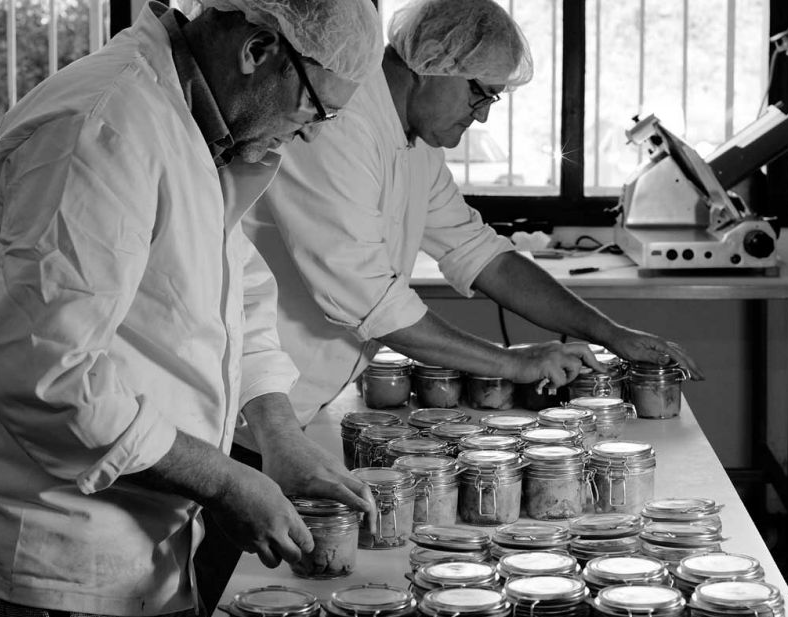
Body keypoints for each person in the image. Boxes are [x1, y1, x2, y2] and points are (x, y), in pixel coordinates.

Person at [0, 1, 381, 617]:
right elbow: (51, 377)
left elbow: (234, 296)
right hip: (59, 551)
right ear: (258, 50)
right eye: (314, 106)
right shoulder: (101, 125)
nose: (309, 131)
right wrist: (224, 483)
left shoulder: (195, 124)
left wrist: (278, 435)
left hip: (144, 533)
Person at [241, 0, 703, 431]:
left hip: (304, 396)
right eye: (480, 94)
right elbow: (371, 300)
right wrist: (514, 362)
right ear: (433, 61)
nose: (480, 117)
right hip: (254, 403)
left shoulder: (414, 141)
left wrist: (611, 333)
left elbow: (481, 254)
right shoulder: (339, 120)